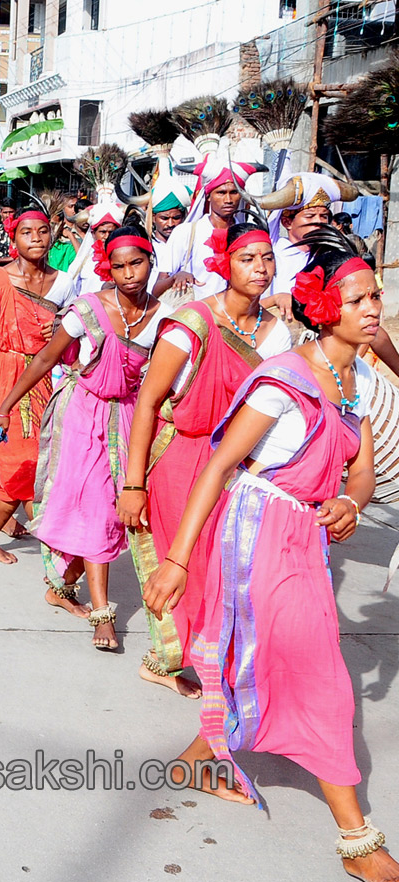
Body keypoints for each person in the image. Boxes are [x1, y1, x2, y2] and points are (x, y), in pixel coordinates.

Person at [142, 229, 399, 882]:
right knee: (322, 676)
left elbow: (363, 474)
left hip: (306, 537)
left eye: (376, 295)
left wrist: (348, 500)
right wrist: (174, 560)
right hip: (256, 530)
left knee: (263, 661)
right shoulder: (285, 377)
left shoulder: (360, 376)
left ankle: (201, 755)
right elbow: (220, 466)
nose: (375, 308)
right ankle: (356, 838)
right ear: (325, 307)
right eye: (360, 298)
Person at [121, 221, 290, 697]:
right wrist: (134, 483)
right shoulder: (193, 322)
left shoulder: (279, 335)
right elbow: (149, 403)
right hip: (182, 458)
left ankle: (209, 659)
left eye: (267, 258)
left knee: (224, 566)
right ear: (223, 263)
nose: (260, 268)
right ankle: (165, 659)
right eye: (247, 259)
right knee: (188, 563)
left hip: (240, 466)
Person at [0, 226, 169, 649]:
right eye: (119, 266)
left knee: (112, 513)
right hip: (80, 416)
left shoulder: (164, 317)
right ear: (109, 268)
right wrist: (3, 409)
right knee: (92, 507)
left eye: (137, 263)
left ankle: (63, 584)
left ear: (151, 262)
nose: (129, 274)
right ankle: (103, 615)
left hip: (128, 418)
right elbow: (46, 357)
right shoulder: (87, 310)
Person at [0, 206, 76, 560]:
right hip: (0, 373)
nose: (36, 238)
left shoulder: (64, 282)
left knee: (34, 456)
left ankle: (21, 525)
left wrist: (59, 327)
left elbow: (74, 329)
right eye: (27, 232)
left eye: (42, 231)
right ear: (14, 239)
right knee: (18, 457)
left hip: (42, 378)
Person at [155, 159, 260, 300]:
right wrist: (176, 278)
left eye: (234, 192)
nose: (228, 199)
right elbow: (157, 289)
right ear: (208, 196)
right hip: (197, 316)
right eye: (221, 193)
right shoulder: (186, 233)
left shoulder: (248, 236)